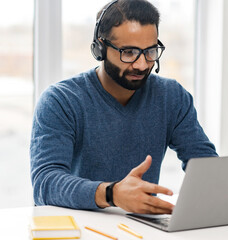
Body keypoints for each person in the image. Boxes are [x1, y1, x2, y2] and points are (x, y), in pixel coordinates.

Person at [30, 0, 217, 214]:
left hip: (140, 228)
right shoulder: (61, 100)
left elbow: (205, 166)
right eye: (129, 52)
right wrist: (113, 194)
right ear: (100, 48)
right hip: (77, 227)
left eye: (150, 51)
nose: (142, 64)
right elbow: (45, 184)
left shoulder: (171, 96)